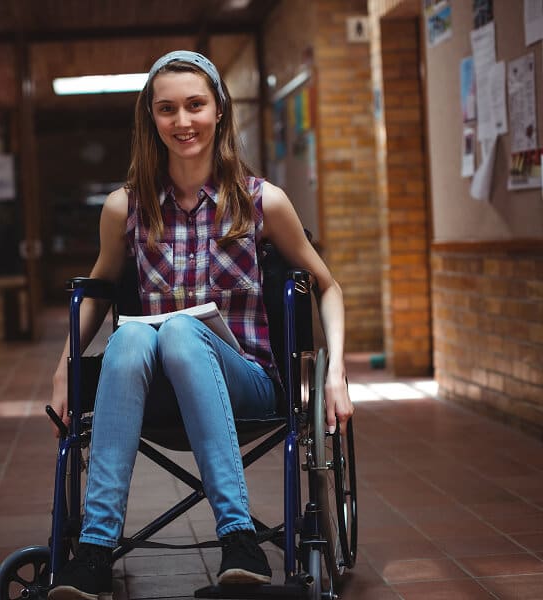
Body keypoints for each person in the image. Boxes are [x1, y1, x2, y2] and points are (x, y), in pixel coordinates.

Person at [48, 50, 353, 600]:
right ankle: (94, 552)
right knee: (136, 332)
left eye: (195, 105)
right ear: (151, 120)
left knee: (185, 332)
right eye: (167, 110)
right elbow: (96, 291)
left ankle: (239, 538)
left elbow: (327, 285)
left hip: (245, 380)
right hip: (152, 386)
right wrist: (64, 368)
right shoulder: (126, 208)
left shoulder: (263, 203)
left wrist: (336, 376)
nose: (182, 122)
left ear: (219, 111)